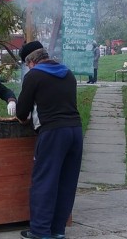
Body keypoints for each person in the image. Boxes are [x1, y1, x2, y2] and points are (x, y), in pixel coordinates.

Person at [15, 41, 83, 239]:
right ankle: (57, 230)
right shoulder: (68, 73)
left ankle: (40, 231)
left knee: (44, 181)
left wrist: (21, 116)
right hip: (75, 131)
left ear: (31, 62)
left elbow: (22, 112)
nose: (27, 68)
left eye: (27, 65)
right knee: (66, 181)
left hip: (53, 133)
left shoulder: (34, 76)